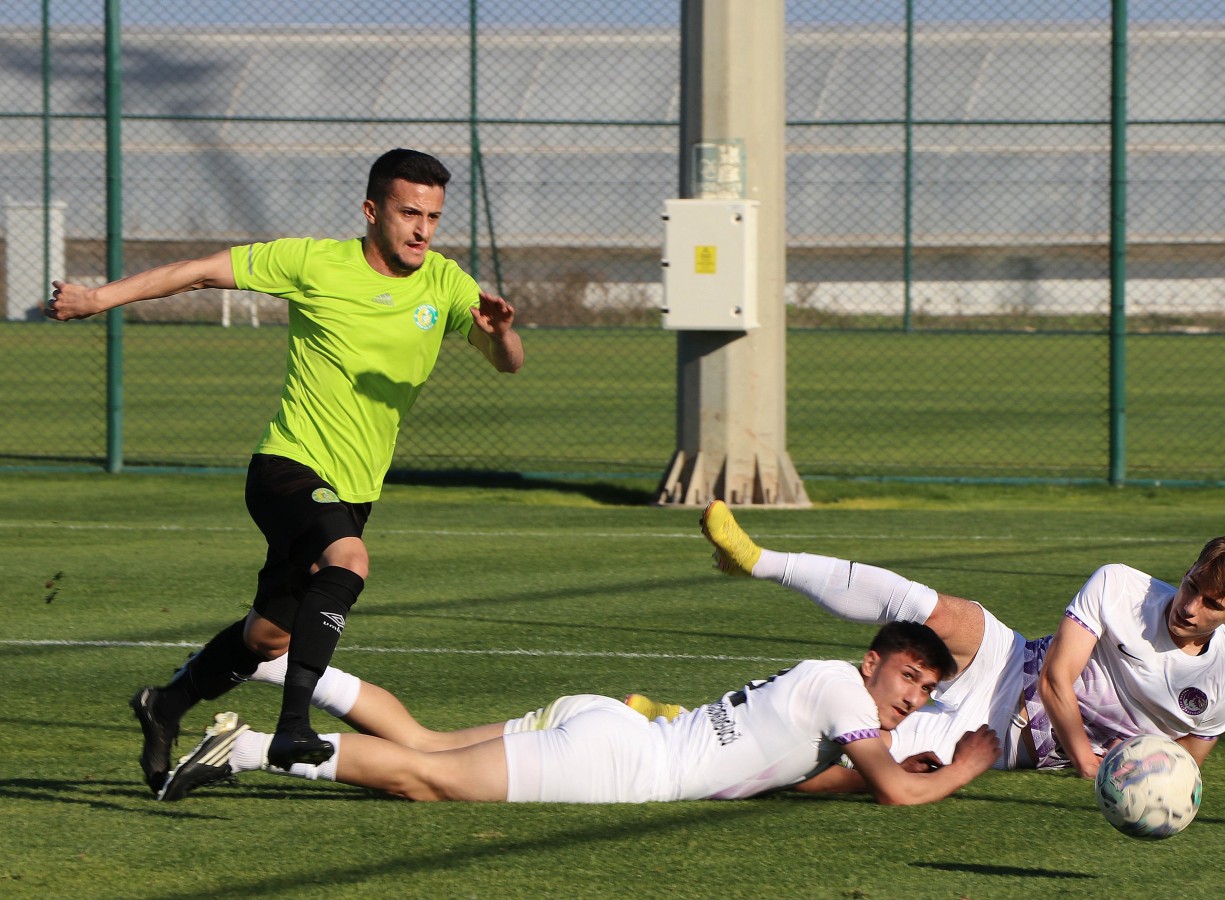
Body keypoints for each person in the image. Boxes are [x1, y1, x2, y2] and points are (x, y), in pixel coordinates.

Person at [47, 148, 524, 788]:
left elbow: (508, 362)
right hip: (288, 466)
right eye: (409, 212)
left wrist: (500, 334)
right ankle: (293, 728)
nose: (422, 229)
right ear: (372, 209)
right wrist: (96, 298)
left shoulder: (444, 281)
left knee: (269, 636)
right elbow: (201, 272)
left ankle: (167, 705)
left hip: (354, 490)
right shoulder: (314, 261)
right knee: (349, 561)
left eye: (433, 216)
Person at [696, 499, 1225, 780]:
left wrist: (1146, 792)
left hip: (1002, 739)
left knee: (845, 734)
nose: (1189, 605)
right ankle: (756, 559)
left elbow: (1183, 765)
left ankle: (690, 722)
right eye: (1193, 584)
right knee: (934, 610)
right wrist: (1088, 762)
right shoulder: (1122, 585)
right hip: (1010, 665)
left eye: (1211, 605)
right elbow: (1056, 678)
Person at [156, 621, 1001, 805]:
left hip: (617, 727)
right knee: (424, 779)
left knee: (419, 742)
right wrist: (967, 762)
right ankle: (244, 750)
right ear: (873, 663)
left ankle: (267, 659)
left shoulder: (834, 699)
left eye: (927, 689)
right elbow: (895, 791)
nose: (914, 696)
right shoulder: (846, 693)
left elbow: (796, 780)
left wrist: (873, 773)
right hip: (624, 764)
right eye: (909, 677)